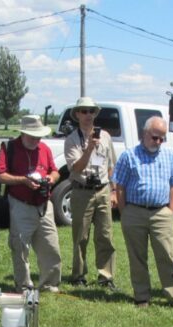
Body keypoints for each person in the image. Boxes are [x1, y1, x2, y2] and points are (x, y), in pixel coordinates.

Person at [113, 116, 173, 311]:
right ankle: (142, 296)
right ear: (144, 134)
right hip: (134, 212)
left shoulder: (168, 156)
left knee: (167, 256)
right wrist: (125, 212)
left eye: (162, 139)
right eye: (155, 137)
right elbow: (119, 187)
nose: (158, 142)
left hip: (161, 213)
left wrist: (170, 210)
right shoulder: (129, 156)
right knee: (137, 257)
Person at [0, 115, 62, 293]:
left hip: (44, 205)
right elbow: (0, 175)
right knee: (20, 247)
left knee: (51, 245)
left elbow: (55, 171)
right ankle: (23, 285)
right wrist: (23, 181)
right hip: (20, 204)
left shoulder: (45, 148)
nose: (36, 140)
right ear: (23, 133)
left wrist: (50, 179)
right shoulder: (9, 148)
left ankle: (50, 284)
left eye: (39, 137)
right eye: (33, 136)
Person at [64, 96, 117, 289]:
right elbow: (76, 168)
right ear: (77, 114)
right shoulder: (71, 140)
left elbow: (111, 166)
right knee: (81, 236)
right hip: (81, 191)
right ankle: (78, 275)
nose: (88, 115)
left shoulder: (106, 137)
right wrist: (89, 149)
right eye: (84, 111)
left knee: (105, 236)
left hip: (102, 190)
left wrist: (113, 191)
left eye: (91, 111)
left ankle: (106, 276)